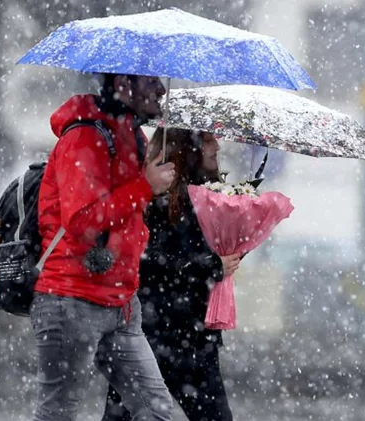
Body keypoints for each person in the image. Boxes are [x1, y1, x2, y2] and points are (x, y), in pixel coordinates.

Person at [32, 73, 176, 421]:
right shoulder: (84, 136)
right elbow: (82, 220)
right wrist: (144, 187)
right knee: (58, 414)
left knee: (156, 411)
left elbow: (128, 216)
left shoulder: (131, 136)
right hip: (72, 299)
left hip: (121, 303)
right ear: (123, 83)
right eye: (150, 81)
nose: (161, 89)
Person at [102, 128, 241, 421]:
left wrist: (232, 250)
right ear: (186, 147)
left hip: (194, 338)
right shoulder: (155, 198)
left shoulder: (211, 196)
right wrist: (211, 266)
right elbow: (150, 263)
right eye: (207, 139)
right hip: (151, 335)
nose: (217, 145)